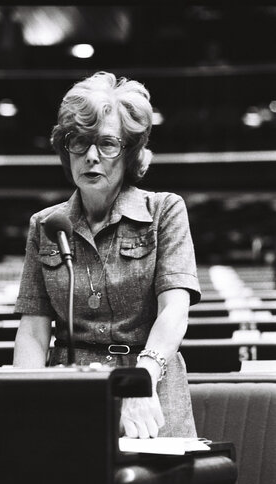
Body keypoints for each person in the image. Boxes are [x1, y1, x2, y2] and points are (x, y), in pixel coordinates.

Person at [13, 71, 201, 439]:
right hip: (71, 390)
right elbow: (33, 330)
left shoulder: (164, 210)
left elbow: (174, 311)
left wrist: (138, 382)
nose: (91, 156)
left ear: (129, 151)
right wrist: (25, 401)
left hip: (151, 386)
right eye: (78, 142)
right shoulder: (45, 224)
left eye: (108, 144)